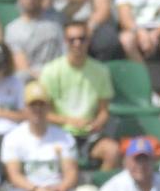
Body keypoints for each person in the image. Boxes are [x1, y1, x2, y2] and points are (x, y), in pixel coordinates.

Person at [37, 21, 117, 168]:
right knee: (63, 157)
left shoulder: (101, 71)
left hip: (90, 135)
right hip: (60, 133)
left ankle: (102, 187)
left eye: (81, 39)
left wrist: (97, 123)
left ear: (89, 41)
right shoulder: (51, 71)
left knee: (112, 151)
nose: (77, 43)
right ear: (65, 42)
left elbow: (104, 111)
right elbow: (45, 113)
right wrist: (71, 121)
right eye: (72, 40)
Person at [1, 81, 80, 191]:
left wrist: (59, 190)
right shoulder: (13, 137)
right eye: (33, 105)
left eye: (41, 104)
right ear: (25, 108)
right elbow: (14, 175)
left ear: (48, 107)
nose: (37, 109)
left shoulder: (64, 137)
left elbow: (71, 172)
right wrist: (36, 190)